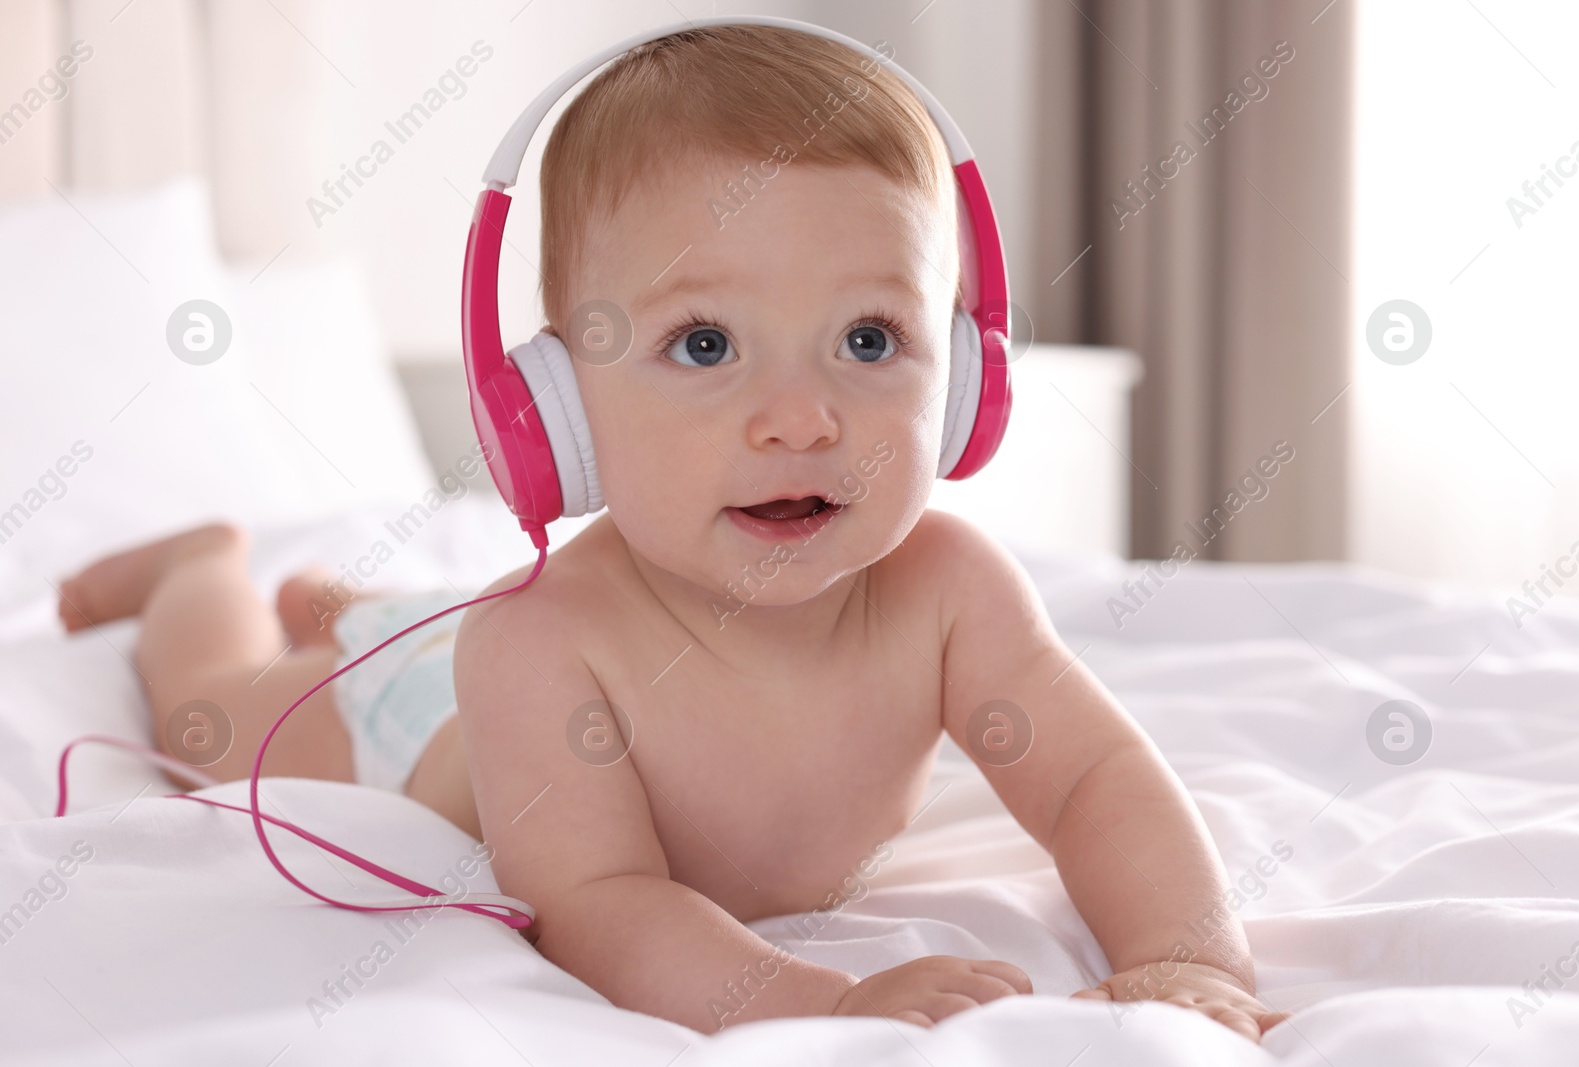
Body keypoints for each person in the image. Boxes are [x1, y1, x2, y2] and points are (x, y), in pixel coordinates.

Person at [57, 25, 1288, 1041]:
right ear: (558, 412)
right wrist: (830, 1000)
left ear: (963, 371)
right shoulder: (535, 649)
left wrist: (1191, 958)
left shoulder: (952, 590)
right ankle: (201, 566)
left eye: (869, 340)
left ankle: (335, 602)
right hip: (423, 728)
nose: (800, 420)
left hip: (487, 671)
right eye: (703, 345)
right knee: (212, 712)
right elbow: (598, 900)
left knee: (364, 625)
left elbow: (1091, 779)